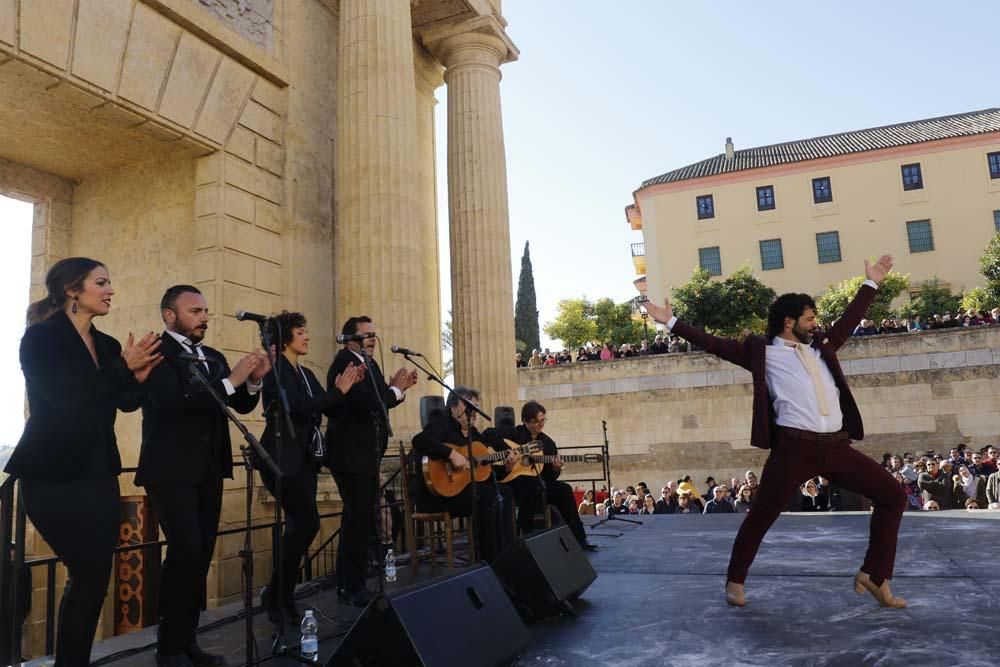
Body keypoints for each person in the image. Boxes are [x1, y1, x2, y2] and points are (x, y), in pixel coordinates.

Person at [644, 254, 908, 609]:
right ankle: (735, 580)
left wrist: (871, 282)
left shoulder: (822, 347)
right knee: (762, 514)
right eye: (809, 318)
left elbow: (850, 318)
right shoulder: (762, 352)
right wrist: (671, 321)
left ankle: (876, 575)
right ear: (789, 322)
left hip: (837, 447)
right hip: (793, 450)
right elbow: (715, 344)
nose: (816, 324)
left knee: (893, 496)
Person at [4, 258, 160, 667]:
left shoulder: (108, 346)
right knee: (86, 571)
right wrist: (123, 369)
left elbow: (122, 402)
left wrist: (138, 379)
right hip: (51, 474)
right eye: (102, 282)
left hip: (99, 472)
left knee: (94, 577)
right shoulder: (39, 339)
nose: (111, 290)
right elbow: (67, 399)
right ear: (73, 290)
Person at [135, 285, 268, 667]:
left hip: (208, 468)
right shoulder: (157, 353)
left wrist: (254, 379)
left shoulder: (212, 355)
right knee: (184, 550)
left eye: (205, 311)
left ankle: (187, 640)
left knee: (200, 554)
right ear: (169, 315)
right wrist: (231, 381)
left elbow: (239, 403)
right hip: (170, 469)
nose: (204, 317)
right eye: (195, 311)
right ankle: (169, 648)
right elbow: (172, 403)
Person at [256, 312, 364, 624]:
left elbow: (326, 403)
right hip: (279, 457)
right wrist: (337, 392)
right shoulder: (275, 372)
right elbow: (299, 407)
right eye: (300, 331)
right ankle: (279, 595)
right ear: (284, 338)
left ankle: (278, 594)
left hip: (304, 458)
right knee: (305, 522)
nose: (306, 336)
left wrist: (347, 387)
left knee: (303, 525)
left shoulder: (305, 373)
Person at [325, 316, 416, 607]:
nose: (373, 340)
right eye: (367, 335)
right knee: (359, 520)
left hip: (366, 454)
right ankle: (353, 586)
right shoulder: (345, 363)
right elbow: (366, 402)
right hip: (350, 455)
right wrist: (395, 392)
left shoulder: (369, 363)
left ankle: (347, 583)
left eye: (375, 334)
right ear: (350, 338)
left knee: (356, 519)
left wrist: (397, 391)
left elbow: (380, 399)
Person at [411, 386, 514, 562]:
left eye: (476, 408)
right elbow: (419, 440)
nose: (474, 412)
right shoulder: (441, 424)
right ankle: (489, 559)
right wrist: (450, 454)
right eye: (469, 407)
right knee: (487, 496)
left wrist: (506, 467)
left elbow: (484, 471)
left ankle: (507, 554)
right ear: (453, 408)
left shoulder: (474, 434)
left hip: (464, 492)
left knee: (503, 492)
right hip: (438, 495)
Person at [498, 401, 597, 550]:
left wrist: (556, 469)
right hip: (513, 483)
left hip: (538, 485)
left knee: (564, 490)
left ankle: (579, 539)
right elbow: (489, 436)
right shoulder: (514, 433)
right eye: (536, 421)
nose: (540, 424)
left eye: (542, 420)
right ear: (525, 421)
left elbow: (549, 478)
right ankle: (528, 536)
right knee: (529, 485)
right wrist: (509, 455)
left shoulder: (548, 443)